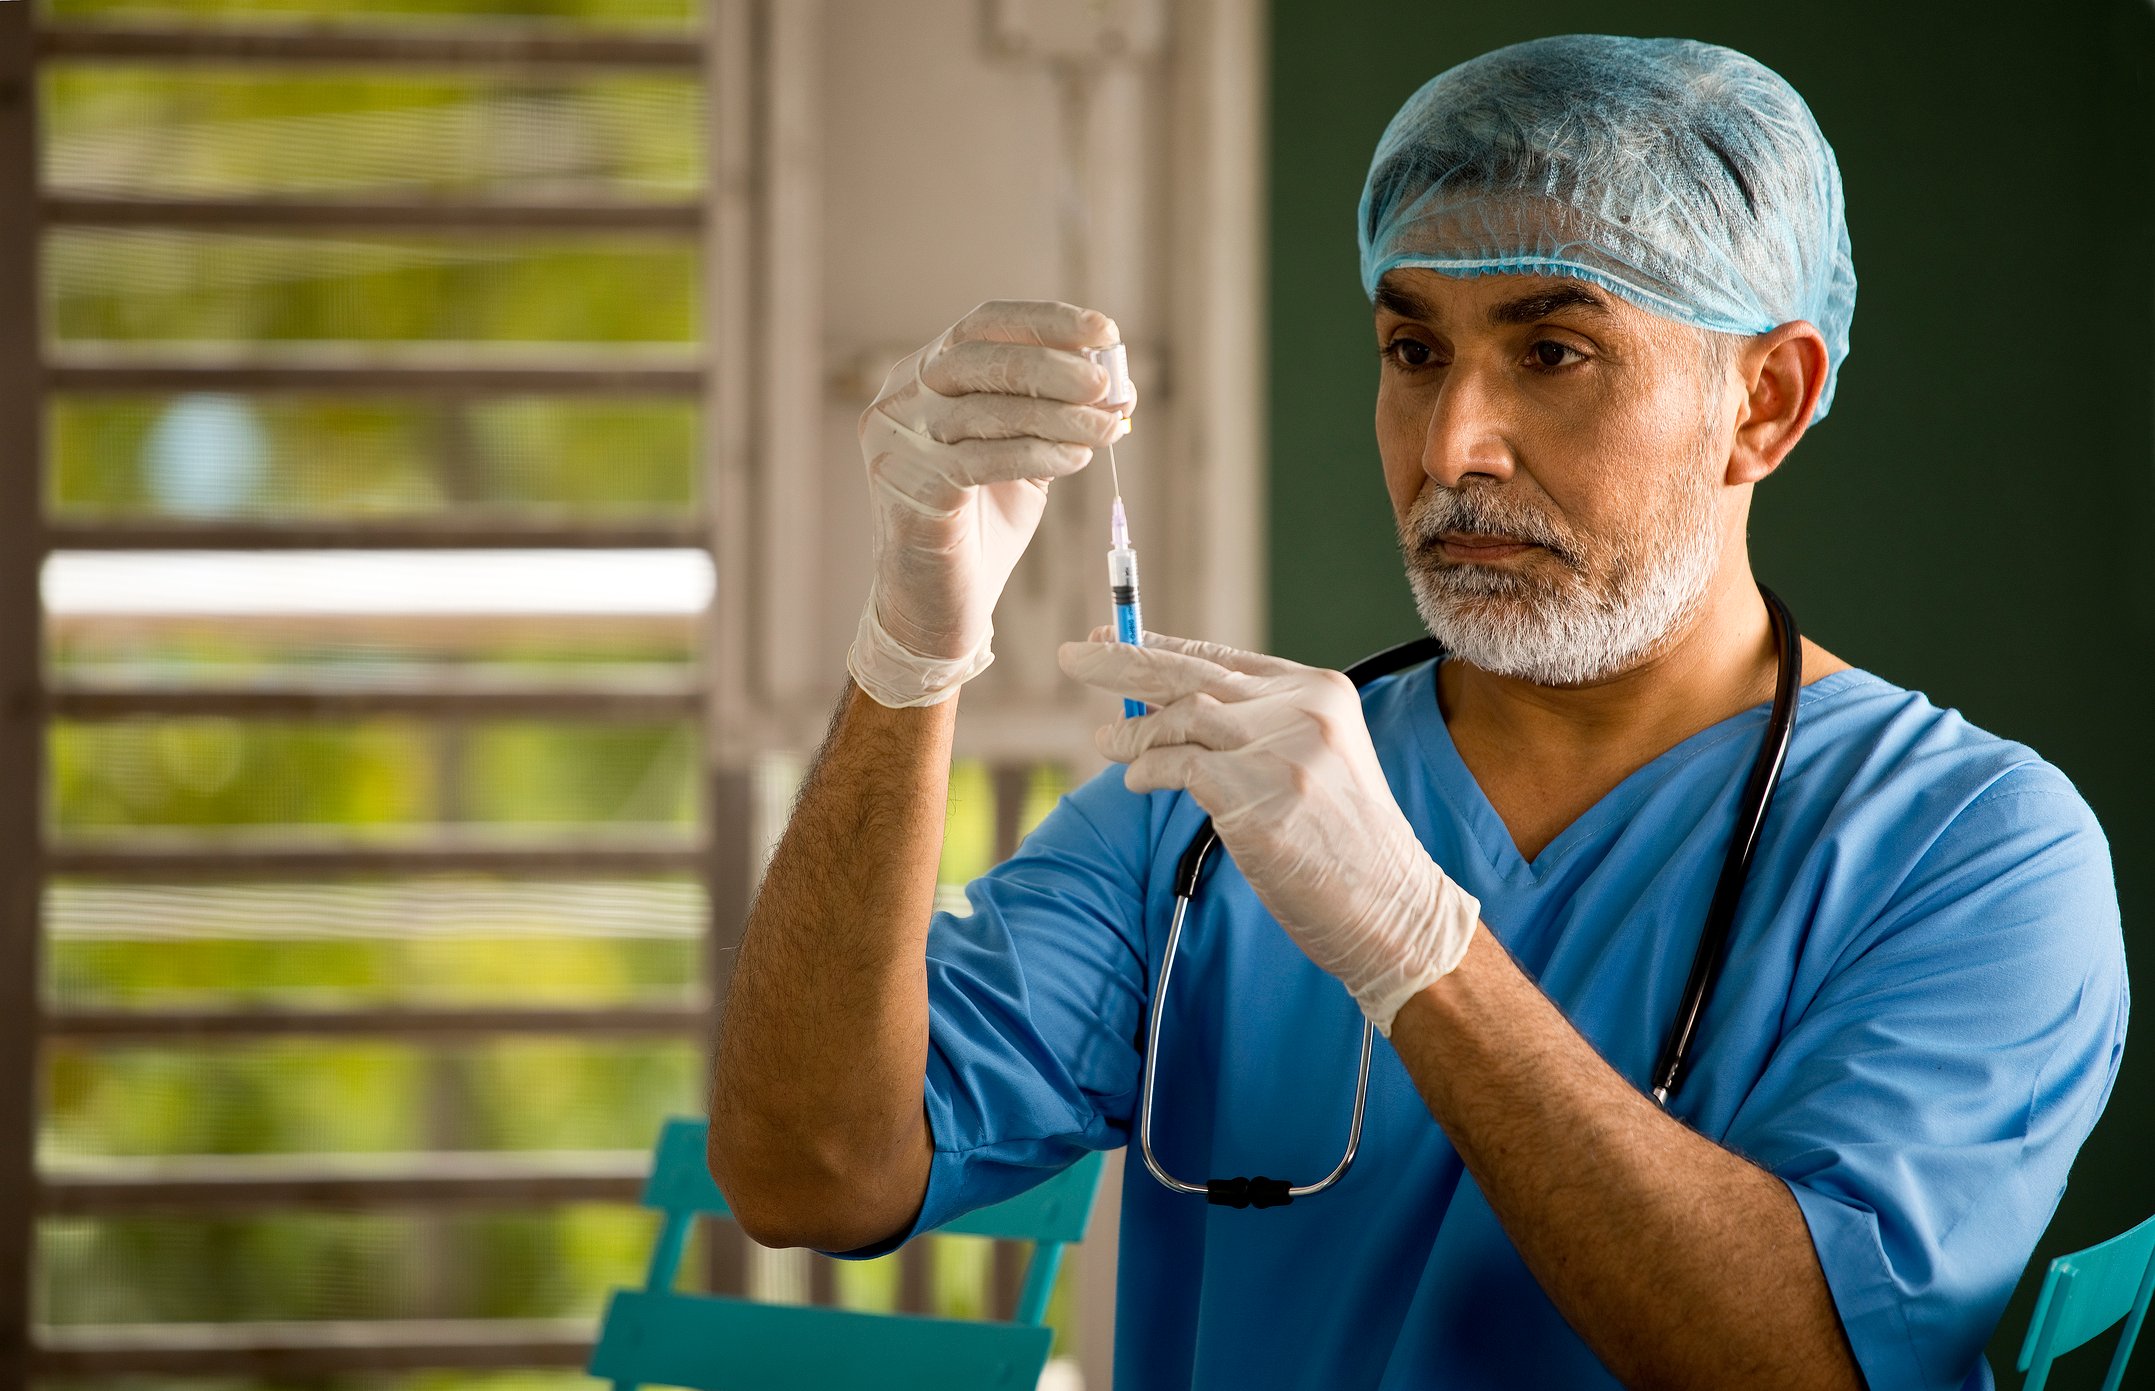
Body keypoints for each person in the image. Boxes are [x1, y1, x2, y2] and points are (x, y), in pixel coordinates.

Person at [708, 33, 2128, 1391]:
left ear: (1765, 401)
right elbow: (810, 1176)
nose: (1453, 445)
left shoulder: (1976, 852)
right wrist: (908, 656)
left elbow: (1806, 1366)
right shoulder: (1211, 818)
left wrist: (1416, 946)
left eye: (1553, 352)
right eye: (1414, 353)